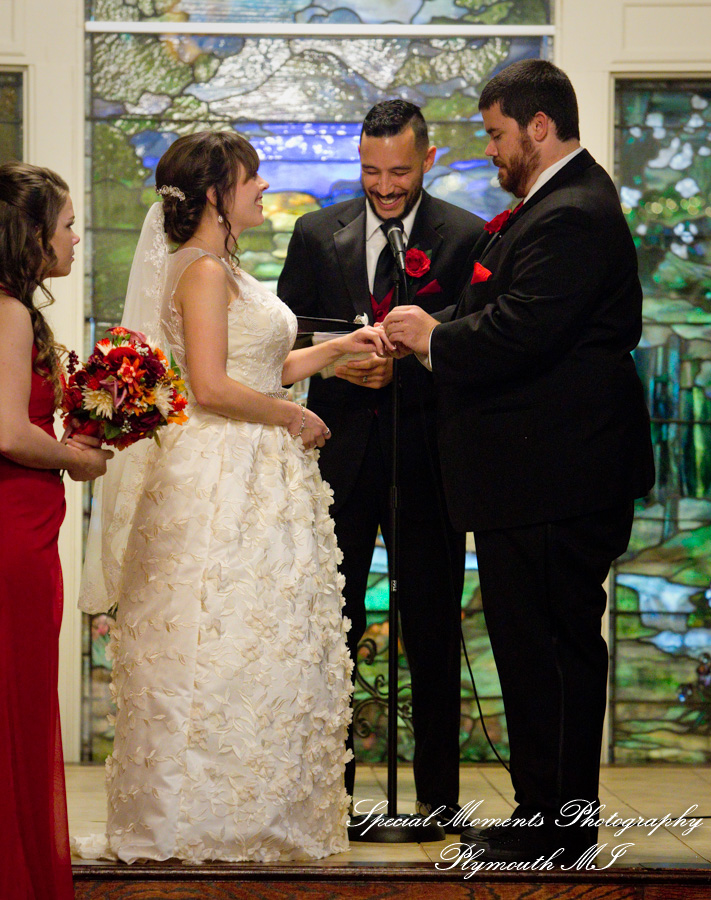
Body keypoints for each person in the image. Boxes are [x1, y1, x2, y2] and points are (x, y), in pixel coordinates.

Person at [74, 131, 392, 864]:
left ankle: (255, 809)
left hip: (258, 469)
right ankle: (199, 816)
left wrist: (341, 350)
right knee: (217, 635)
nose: (260, 186)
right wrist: (292, 413)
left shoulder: (226, 268)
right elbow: (211, 388)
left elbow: (263, 362)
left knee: (260, 639)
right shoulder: (202, 272)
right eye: (251, 177)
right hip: (218, 473)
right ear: (216, 193)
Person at [384, 60, 655, 864]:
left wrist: (430, 338)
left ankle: (559, 827)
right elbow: (495, 309)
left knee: (553, 651)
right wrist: (428, 321)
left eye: (498, 135)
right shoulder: (553, 206)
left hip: (555, 475)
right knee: (532, 649)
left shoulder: (572, 212)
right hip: (534, 475)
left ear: (539, 127)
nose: (493, 151)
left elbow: (519, 331)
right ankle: (544, 811)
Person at [278, 100, 485, 827]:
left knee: (431, 627)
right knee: (329, 624)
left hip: (426, 459)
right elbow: (283, 330)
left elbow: (474, 344)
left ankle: (436, 797)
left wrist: (411, 366)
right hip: (337, 460)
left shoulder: (463, 236)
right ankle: (328, 791)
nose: (384, 186)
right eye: (370, 171)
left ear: (427, 159)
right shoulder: (314, 232)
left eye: (398, 171)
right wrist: (339, 363)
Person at [0, 162, 112, 899]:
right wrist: (74, 456)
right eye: (67, 224)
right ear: (34, 235)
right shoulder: (8, 310)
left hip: (29, 524)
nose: (76, 238)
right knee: (16, 706)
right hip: (13, 529)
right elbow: (8, 431)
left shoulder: (16, 309)